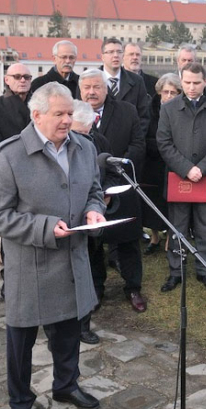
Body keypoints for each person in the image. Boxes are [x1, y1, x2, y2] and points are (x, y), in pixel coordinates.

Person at [0, 82, 106, 409]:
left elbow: (94, 190)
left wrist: (95, 209)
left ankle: (66, 385)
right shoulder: (8, 155)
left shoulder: (84, 148)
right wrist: (43, 227)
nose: (67, 120)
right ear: (36, 115)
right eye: (59, 114)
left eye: (70, 113)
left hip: (72, 262)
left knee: (68, 334)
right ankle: (20, 402)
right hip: (31, 266)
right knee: (20, 344)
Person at [157, 63, 206, 292]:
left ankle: (204, 270)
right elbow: (164, 142)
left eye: (196, 83)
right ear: (181, 81)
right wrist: (186, 168)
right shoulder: (168, 108)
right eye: (187, 82)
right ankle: (175, 272)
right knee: (177, 227)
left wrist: (202, 167)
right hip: (178, 178)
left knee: (205, 227)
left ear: (205, 82)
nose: (191, 87)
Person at [78, 69, 147, 312]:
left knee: (128, 241)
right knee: (93, 244)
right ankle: (96, 288)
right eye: (86, 87)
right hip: (87, 192)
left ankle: (133, 287)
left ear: (107, 89)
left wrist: (116, 172)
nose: (91, 91)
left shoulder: (126, 110)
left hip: (121, 185)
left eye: (97, 86)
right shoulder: (73, 113)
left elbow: (138, 145)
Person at [69, 99, 112, 345]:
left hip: (89, 219)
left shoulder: (96, 144)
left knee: (88, 273)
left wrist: (101, 198)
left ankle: (83, 326)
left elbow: (103, 176)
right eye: (76, 132)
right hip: (62, 223)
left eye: (85, 133)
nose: (79, 138)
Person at [142, 74, 181, 255]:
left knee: (171, 203)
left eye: (173, 92)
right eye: (166, 92)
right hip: (153, 163)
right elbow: (144, 135)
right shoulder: (150, 110)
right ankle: (155, 236)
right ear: (159, 93)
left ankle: (170, 237)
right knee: (153, 201)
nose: (169, 96)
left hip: (174, 164)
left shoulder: (181, 110)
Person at [0, 63, 33, 154]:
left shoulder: (41, 105)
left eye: (26, 77)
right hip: (8, 162)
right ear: (7, 80)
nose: (22, 80)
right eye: (17, 77)